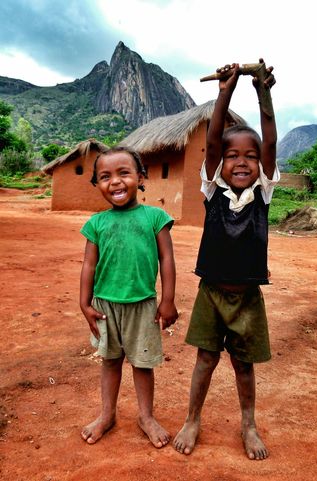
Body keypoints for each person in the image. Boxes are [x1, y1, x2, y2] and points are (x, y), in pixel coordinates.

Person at [173, 60, 279, 460]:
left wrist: (262, 92)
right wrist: (224, 92)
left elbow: (269, 140)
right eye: (233, 156)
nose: (241, 162)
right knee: (204, 359)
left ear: (260, 165)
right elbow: (214, 140)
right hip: (211, 294)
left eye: (250, 157)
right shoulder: (212, 189)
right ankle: (192, 419)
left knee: (244, 366)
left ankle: (248, 424)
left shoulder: (264, 193)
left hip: (248, 297)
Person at [80, 146, 178, 448]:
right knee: (110, 362)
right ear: (97, 185)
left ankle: (145, 417)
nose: (116, 182)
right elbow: (89, 265)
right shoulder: (97, 223)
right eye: (105, 177)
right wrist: (84, 303)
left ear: (141, 177)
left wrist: (168, 299)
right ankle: (107, 414)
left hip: (143, 305)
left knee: (142, 364)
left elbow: (167, 259)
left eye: (124, 173)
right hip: (105, 306)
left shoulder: (155, 217)